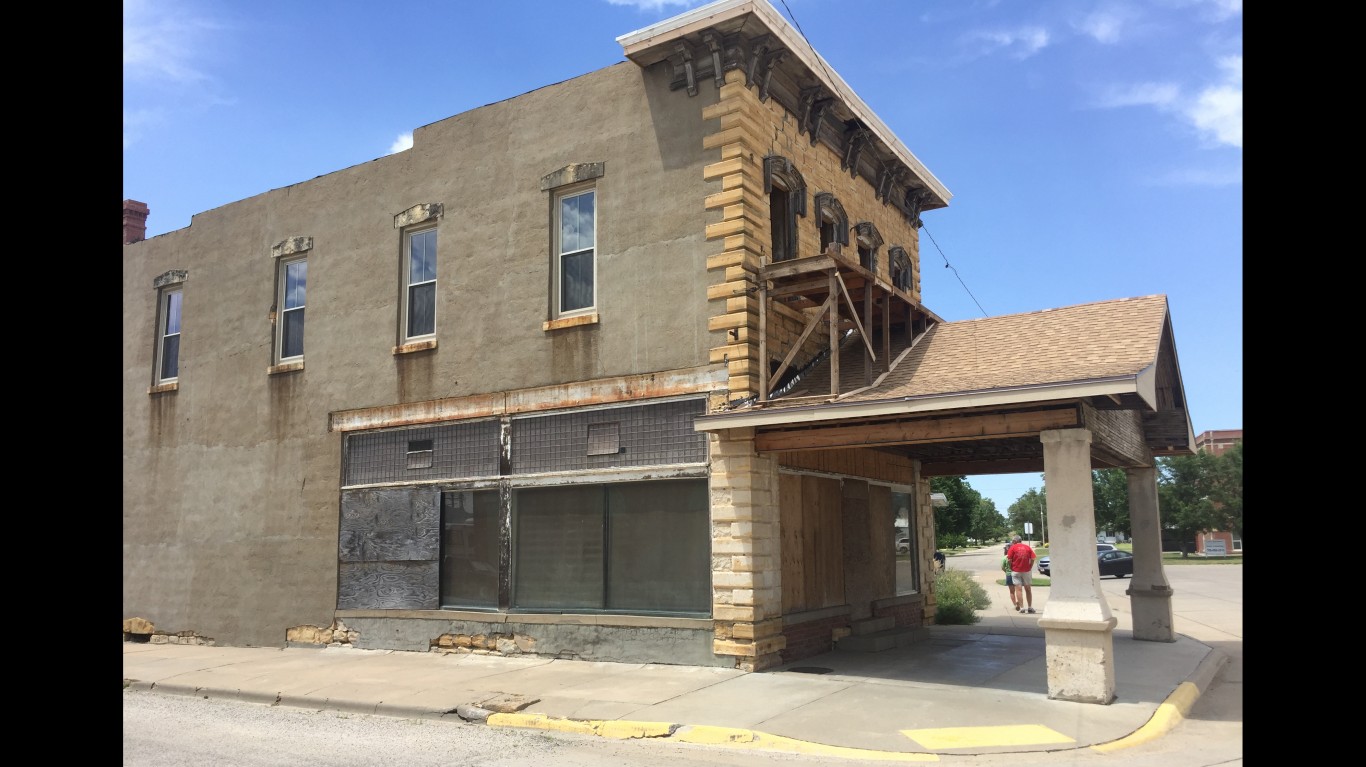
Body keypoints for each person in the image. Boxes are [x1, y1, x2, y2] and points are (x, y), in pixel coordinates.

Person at [1005, 534, 1038, 613]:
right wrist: (1030, 566)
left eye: (1013, 541)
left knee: (1018, 589)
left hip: (1016, 570)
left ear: (1015, 541)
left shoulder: (1012, 548)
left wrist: (1011, 567)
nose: (1012, 542)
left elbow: (1009, 559)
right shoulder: (1027, 547)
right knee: (1028, 589)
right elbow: (1033, 558)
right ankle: (1030, 607)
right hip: (1027, 570)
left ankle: (1022, 607)